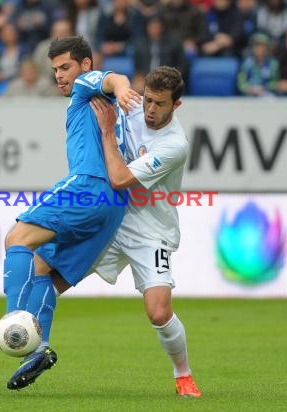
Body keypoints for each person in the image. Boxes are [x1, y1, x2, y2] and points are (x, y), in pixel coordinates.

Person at [0, 35, 140, 390]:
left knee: (17, 238)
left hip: (87, 185)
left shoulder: (85, 90)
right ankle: (36, 347)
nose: (60, 76)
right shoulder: (106, 109)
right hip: (114, 207)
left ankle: (11, 326)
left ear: (85, 65)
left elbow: (112, 79)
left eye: (66, 67)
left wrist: (122, 88)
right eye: (56, 70)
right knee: (44, 271)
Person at [88, 66, 201, 398]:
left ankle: (183, 375)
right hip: (112, 220)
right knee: (55, 274)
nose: (151, 110)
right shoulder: (132, 105)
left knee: (159, 312)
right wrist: (120, 84)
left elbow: (121, 180)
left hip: (151, 231)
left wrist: (108, 133)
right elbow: (105, 79)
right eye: (148, 100)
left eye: (160, 104)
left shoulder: (174, 145)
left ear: (176, 106)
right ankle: (9, 329)